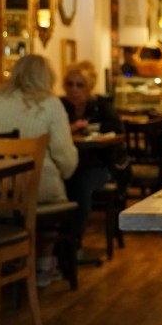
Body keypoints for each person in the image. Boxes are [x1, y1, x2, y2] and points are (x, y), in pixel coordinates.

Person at [0, 54, 79, 286]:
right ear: (47, 77)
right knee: (56, 189)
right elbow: (64, 155)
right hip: (32, 189)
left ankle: (11, 261)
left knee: (42, 187)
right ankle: (43, 264)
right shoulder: (50, 104)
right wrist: (67, 172)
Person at [60, 60, 128, 246]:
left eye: (79, 85)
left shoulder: (101, 105)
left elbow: (117, 128)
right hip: (67, 163)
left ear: (89, 87)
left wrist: (89, 127)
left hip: (100, 164)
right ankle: (57, 250)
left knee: (80, 184)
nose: (74, 89)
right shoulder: (60, 106)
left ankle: (74, 244)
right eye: (70, 84)